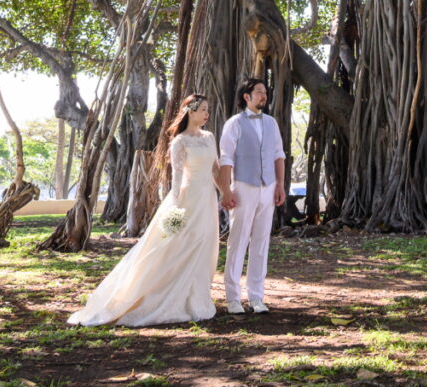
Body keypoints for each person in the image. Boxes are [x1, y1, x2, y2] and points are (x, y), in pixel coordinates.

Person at [67, 94, 219, 327]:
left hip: (207, 199)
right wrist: (176, 208)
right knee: (180, 245)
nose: (207, 114)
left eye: (208, 109)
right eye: (203, 109)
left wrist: (226, 193)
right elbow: (177, 178)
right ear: (191, 111)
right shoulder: (180, 141)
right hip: (187, 199)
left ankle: (196, 296)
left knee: (204, 243)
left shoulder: (209, 138)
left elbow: (215, 169)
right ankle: (167, 295)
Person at [216, 76, 286, 314]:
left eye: (265, 92)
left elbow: (278, 155)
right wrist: (226, 190)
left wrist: (280, 185)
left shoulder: (271, 123)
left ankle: (256, 296)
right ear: (247, 96)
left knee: (261, 242)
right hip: (243, 186)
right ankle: (233, 298)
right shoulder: (234, 123)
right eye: (259, 92)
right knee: (238, 241)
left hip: (268, 187)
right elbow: (226, 158)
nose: (263, 96)